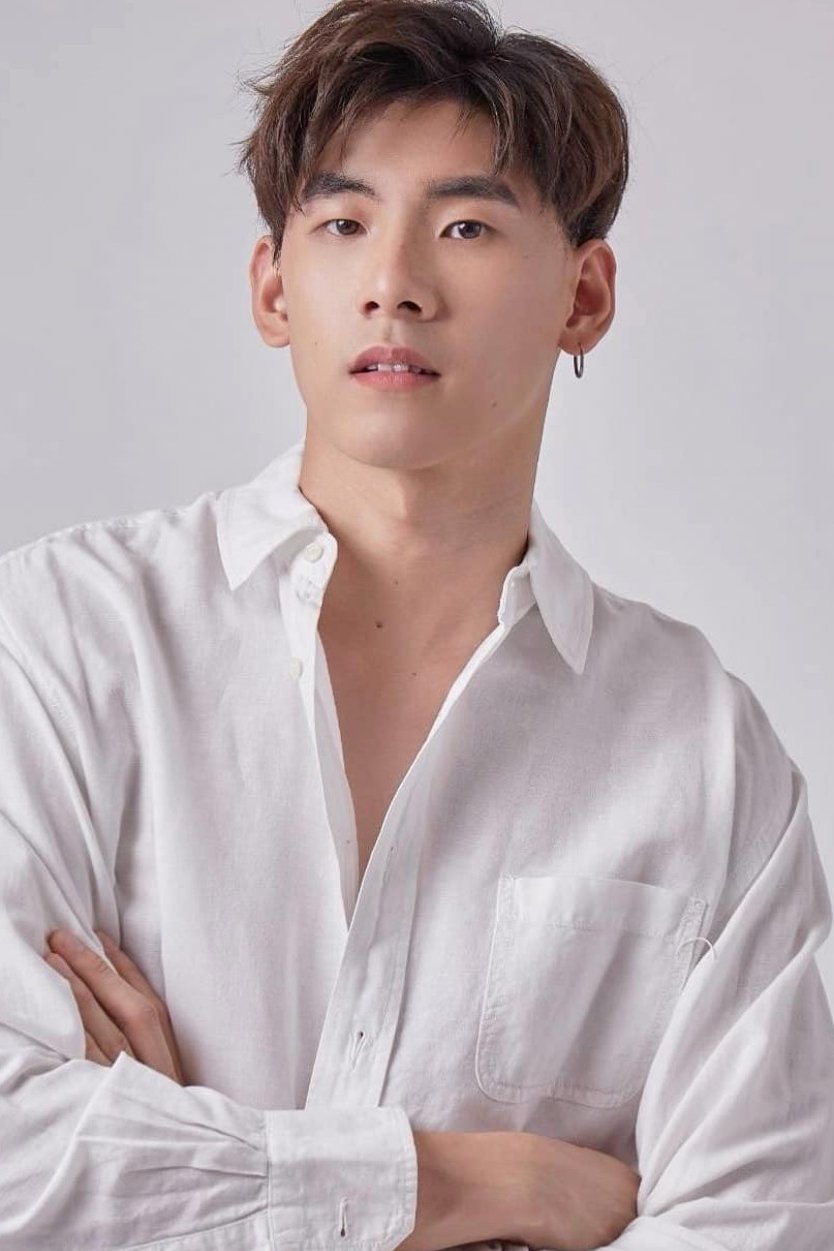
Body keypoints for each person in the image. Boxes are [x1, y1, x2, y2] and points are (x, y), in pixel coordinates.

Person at [2, 0, 832, 1247]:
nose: (394, 284)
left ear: (584, 296)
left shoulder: (697, 745)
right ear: (274, 287)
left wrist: (183, 1161)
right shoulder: (64, 639)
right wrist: (487, 1187)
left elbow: (761, 1217)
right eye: (343, 224)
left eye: (465, 227)